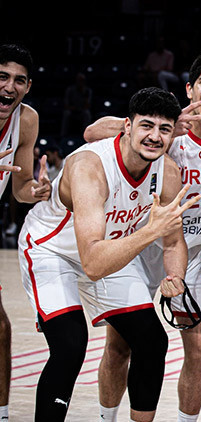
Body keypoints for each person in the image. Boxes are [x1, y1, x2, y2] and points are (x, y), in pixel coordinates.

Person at [84, 52, 201, 422]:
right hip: (143, 244)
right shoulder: (166, 126)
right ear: (189, 89)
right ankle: (108, 418)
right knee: (121, 346)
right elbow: (92, 132)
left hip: (195, 249)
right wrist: (166, 125)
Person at [18, 87, 195, 421]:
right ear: (127, 126)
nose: (155, 136)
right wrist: (150, 232)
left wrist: (176, 277)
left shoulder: (168, 173)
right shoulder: (90, 166)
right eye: (146, 125)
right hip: (53, 250)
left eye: (164, 129)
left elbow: (173, 243)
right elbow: (93, 264)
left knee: (152, 341)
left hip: (109, 246)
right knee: (70, 345)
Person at [0, 44, 51, 421]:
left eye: (19, 80)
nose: (10, 86)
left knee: (1, 330)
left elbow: (19, 187)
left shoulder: (26, 119)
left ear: (28, 86)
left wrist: (35, 191)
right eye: (2, 77)